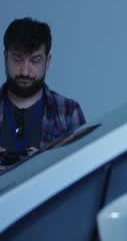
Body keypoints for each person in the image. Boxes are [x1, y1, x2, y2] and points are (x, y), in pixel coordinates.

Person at [0, 17, 86, 166]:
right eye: (17, 59)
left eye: (35, 60)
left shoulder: (69, 112)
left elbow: (83, 171)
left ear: (48, 61)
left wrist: (46, 162)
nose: (25, 71)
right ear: (5, 57)